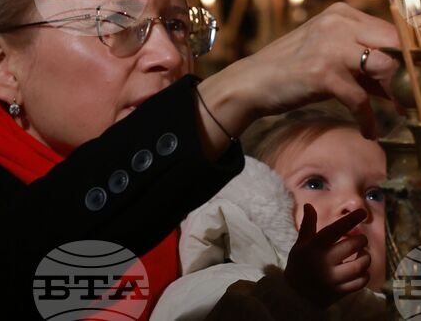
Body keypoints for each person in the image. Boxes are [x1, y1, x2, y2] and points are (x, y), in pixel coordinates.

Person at [0, 0, 399, 318]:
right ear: (2, 66)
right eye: (114, 22)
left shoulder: (229, 198)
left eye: (177, 24)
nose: (168, 55)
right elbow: (9, 267)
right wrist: (231, 93)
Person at [151, 107, 387, 320]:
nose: (355, 203)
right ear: (266, 202)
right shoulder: (223, 283)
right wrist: (297, 296)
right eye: (315, 183)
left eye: (376, 195)